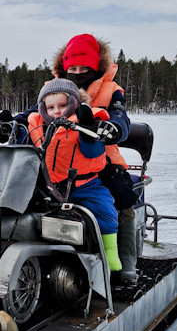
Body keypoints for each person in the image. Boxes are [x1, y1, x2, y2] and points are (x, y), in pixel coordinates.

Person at [51, 34, 139, 284]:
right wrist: (11, 123)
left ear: (95, 68)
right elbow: (36, 111)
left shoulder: (112, 90)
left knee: (121, 193)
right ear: (64, 68)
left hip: (102, 155)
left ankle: (125, 260)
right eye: (73, 68)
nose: (78, 73)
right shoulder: (55, 87)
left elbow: (121, 117)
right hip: (60, 159)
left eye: (84, 68)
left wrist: (113, 128)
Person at [27, 78, 122, 273]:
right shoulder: (39, 126)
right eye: (51, 107)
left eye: (62, 105)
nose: (57, 111)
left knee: (104, 209)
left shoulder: (84, 122)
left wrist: (88, 128)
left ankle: (110, 251)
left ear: (73, 103)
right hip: (50, 186)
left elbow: (93, 151)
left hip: (85, 185)